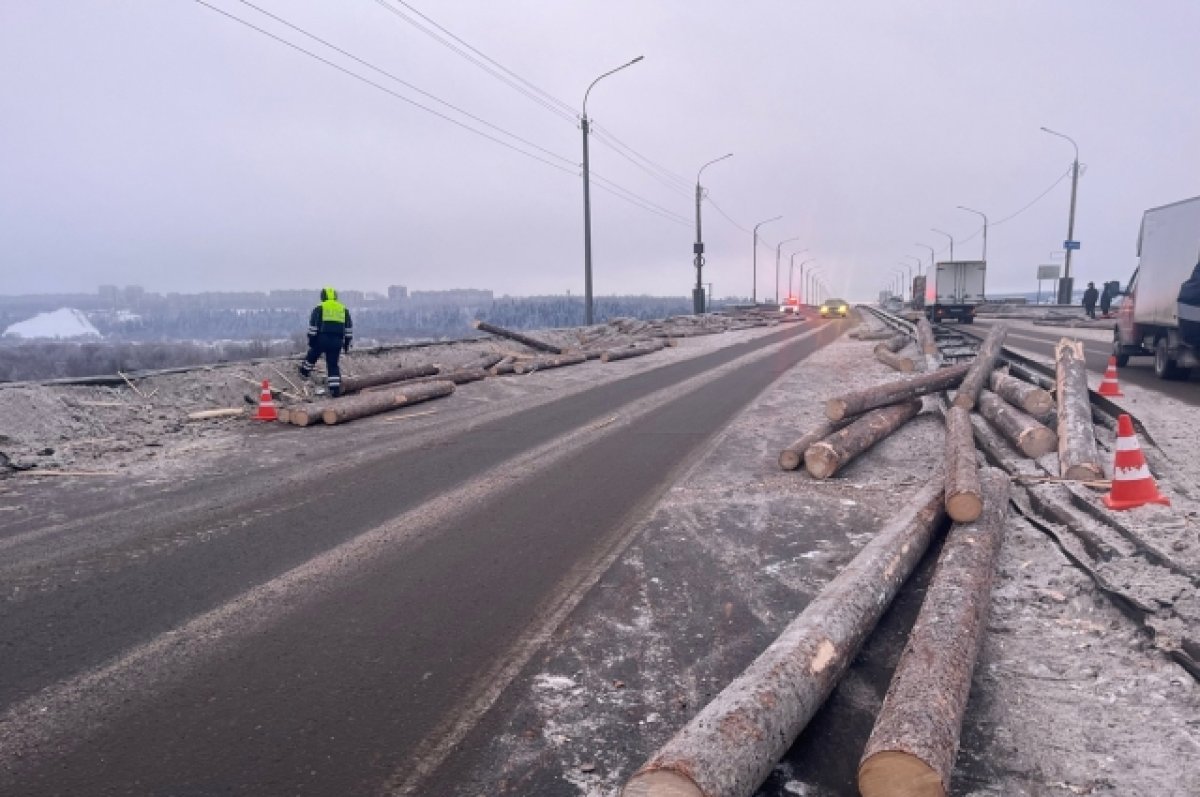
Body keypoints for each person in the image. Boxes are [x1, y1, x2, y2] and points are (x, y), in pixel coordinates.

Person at [299, 287, 353, 396]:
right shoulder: (343, 309)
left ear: (323, 296)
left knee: (313, 354)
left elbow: (313, 327)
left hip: (322, 339)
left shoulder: (319, 308)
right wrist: (346, 344)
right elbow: (348, 329)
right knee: (333, 364)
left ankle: (304, 372)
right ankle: (335, 389)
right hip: (337, 341)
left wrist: (311, 340)